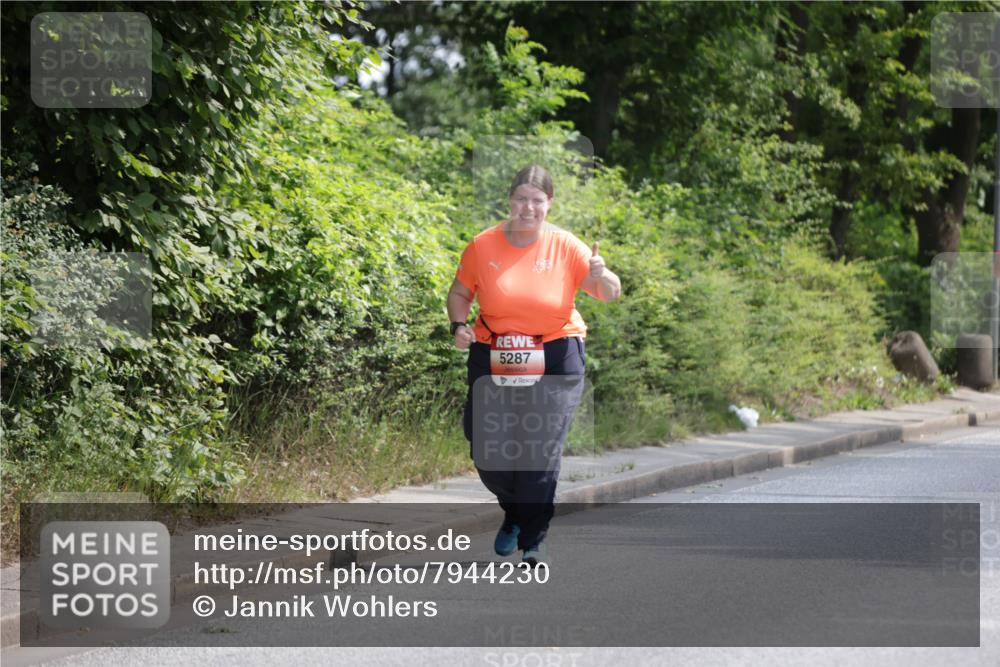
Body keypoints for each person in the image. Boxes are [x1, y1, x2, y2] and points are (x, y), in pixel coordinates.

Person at [446, 164, 621, 566]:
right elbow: (459, 293)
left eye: (537, 201)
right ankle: (514, 511)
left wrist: (603, 273)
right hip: (493, 352)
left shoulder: (566, 245)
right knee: (484, 444)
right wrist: (458, 325)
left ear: (549, 203)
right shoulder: (482, 245)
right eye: (521, 199)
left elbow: (608, 293)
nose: (528, 208)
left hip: (557, 352)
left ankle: (534, 536)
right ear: (509, 201)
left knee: (538, 447)